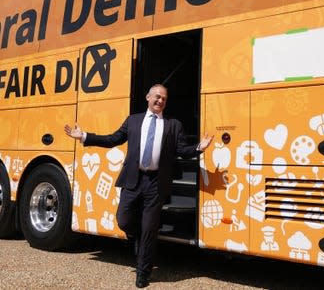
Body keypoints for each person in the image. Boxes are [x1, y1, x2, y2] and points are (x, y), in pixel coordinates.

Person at [64, 84, 213, 288]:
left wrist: (198, 147)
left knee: (150, 229)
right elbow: (113, 139)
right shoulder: (133, 121)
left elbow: (182, 150)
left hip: (156, 183)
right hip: (134, 178)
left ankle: (143, 273)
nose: (160, 101)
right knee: (123, 219)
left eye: (164, 99)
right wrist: (84, 136)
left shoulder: (173, 125)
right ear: (148, 97)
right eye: (157, 97)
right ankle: (137, 237)